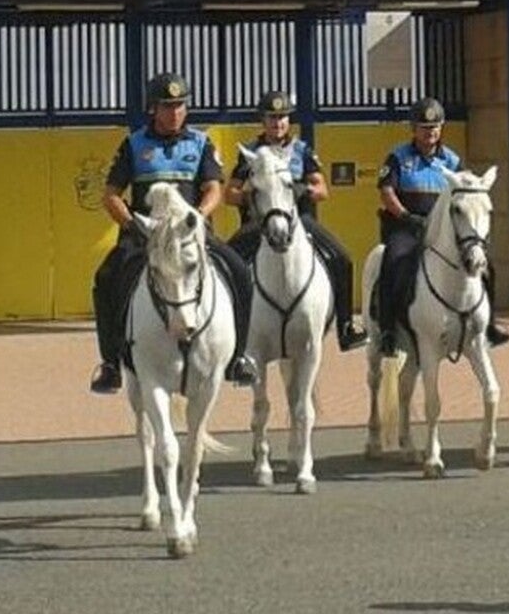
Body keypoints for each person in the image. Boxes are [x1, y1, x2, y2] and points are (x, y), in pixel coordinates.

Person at [89, 72, 258, 394]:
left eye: (181, 105)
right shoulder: (134, 144)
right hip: (146, 236)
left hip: (191, 235)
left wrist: (198, 215)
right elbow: (111, 195)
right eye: (168, 106)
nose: (176, 112)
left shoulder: (200, 143)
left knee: (239, 271)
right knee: (107, 277)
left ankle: (238, 357)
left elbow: (213, 189)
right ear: (153, 108)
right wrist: (132, 226)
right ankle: (111, 364)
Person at [224, 90, 368, 352]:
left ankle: (346, 327)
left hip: (299, 221)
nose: (278, 123)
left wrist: (299, 189)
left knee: (342, 258)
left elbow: (323, 190)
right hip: (258, 223)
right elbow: (229, 195)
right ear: (263, 121)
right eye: (272, 117)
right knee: (227, 262)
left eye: (283, 117)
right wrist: (252, 193)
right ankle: (232, 333)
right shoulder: (251, 154)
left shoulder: (301, 150)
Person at [374, 96, 509, 357]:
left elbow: (464, 192)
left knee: (486, 266)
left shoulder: (451, 160)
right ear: (413, 129)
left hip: (443, 230)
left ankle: (490, 326)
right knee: (392, 261)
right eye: (425, 128)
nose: (431, 133)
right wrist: (405, 216)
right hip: (407, 227)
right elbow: (386, 191)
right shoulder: (398, 157)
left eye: (436, 127)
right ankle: (388, 331)